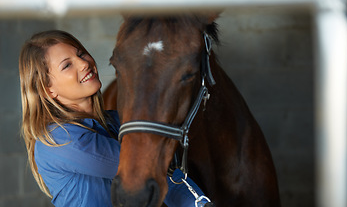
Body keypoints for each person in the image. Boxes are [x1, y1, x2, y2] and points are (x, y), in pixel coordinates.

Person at [19, 30, 211, 207]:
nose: (84, 63)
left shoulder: (118, 121)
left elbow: (167, 175)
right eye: (67, 65)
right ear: (47, 89)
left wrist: (199, 203)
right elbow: (146, 168)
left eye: (81, 54)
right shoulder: (58, 139)